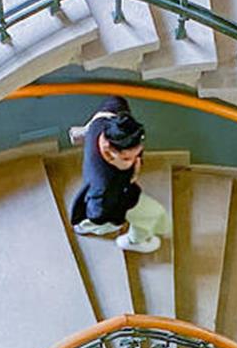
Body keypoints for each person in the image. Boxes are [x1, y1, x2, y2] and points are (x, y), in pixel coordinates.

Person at [68, 95, 168, 253]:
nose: (136, 161)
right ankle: (130, 241)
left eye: (138, 153)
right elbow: (98, 214)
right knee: (150, 215)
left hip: (104, 194)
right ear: (108, 150)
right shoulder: (104, 184)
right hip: (106, 206)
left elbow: (116, 100)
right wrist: (128, 178)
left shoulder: (104, 120)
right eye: (127, 158)